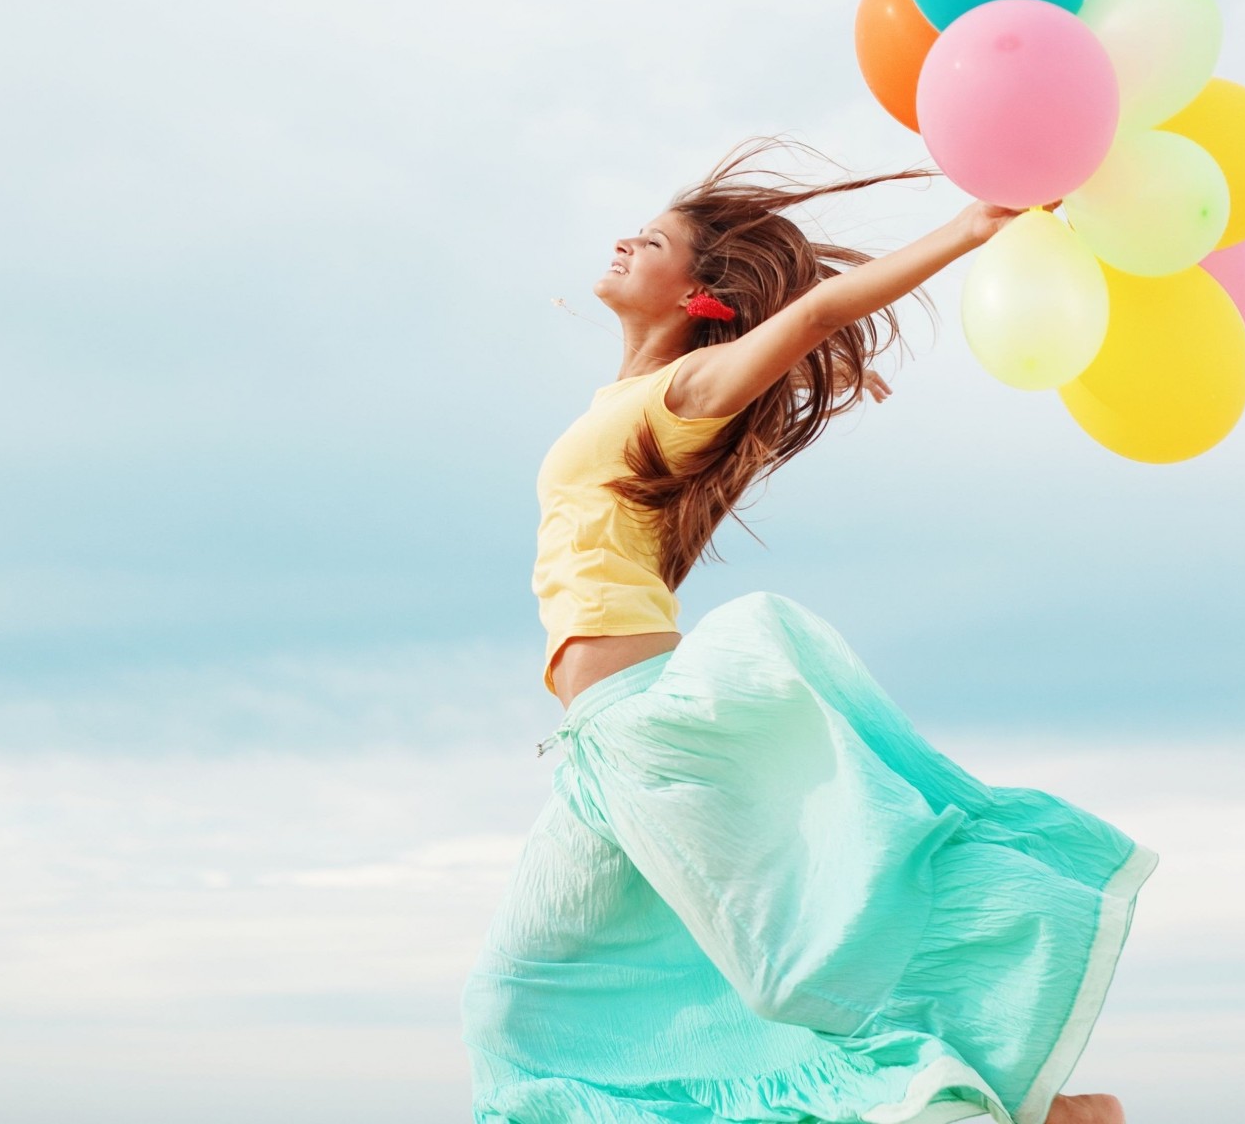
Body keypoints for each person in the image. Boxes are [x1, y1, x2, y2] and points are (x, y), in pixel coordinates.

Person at [460, 137, 1157, 1124]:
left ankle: (1031, 1105)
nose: (623, 243)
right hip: (597, 752)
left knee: (780, 973)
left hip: (650, 730)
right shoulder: (633, 409)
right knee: (520, 1002)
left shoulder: (682, 392)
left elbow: (820, 311)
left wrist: (966, 229)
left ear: (699, 296)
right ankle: (1038, 1112)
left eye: (650, 241)